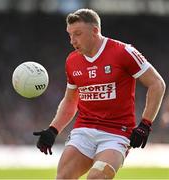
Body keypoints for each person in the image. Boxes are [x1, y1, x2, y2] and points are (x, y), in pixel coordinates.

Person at [33, 8, 166, 179]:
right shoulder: (72, 61)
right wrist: (53, 129)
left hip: (117, 133)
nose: (72, 40)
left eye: (78, 34)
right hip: (84, 131)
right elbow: (71, 100)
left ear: (95, 31)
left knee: (96, 177)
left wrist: (145, 124)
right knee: (63, 177)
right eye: (70, 35)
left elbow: (157, 84)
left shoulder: (123, 52)